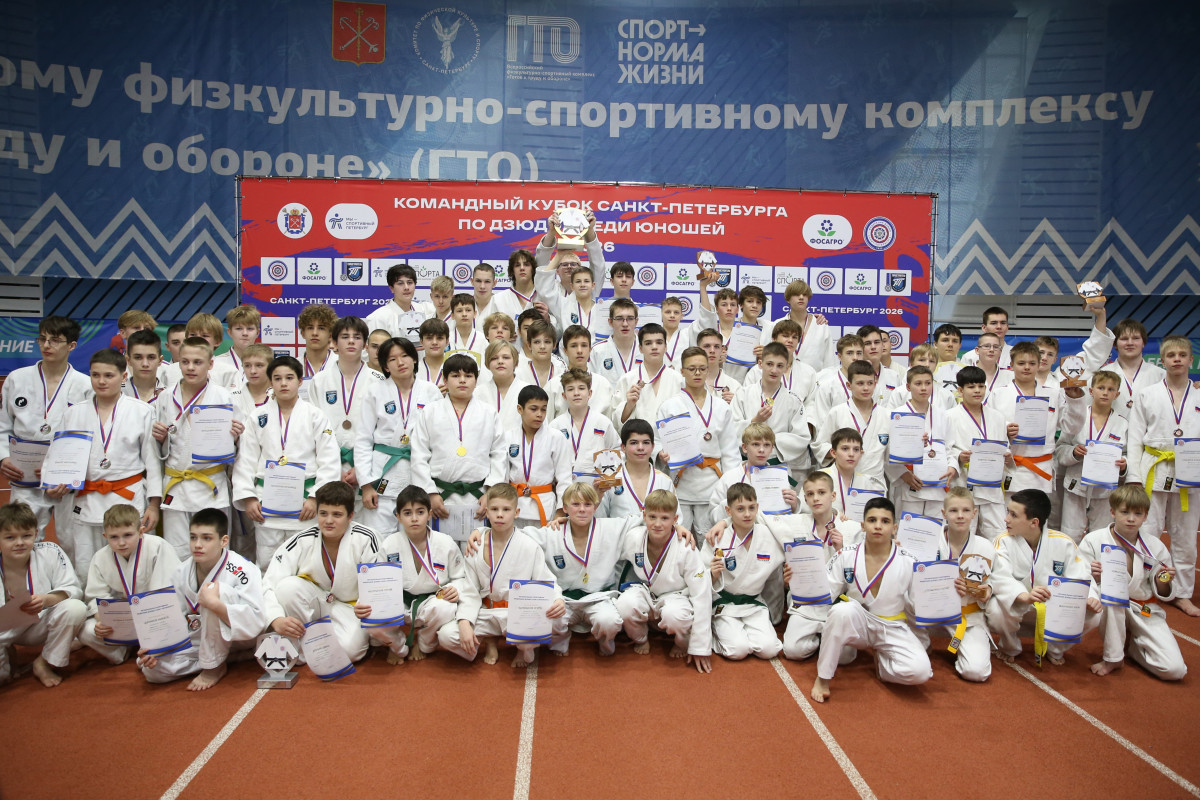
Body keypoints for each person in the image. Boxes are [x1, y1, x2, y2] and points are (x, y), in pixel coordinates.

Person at [48, 349, 162, 584]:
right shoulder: (73, 413)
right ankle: (92, 604)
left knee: (133, 564)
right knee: (85, 563)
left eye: (109, 375)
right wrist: (54, 482)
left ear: (123, 376)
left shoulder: (142, 411)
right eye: (95, 375)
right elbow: (59, 456)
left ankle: (134, 603)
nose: (101, 381)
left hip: (127, 498)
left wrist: (153, 505)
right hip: (86, 499)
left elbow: (152, 463)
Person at [491, 482, 635, 656]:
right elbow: (514, 535)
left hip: (598, 599)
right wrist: (483, 531)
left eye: (587, 504)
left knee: (609, 621)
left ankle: (605, 642)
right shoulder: (552, 532)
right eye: (575, 504)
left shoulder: (611, 527)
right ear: (565, 508)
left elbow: (644, 518)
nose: (582, 509)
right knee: (546, 620)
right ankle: (561, 639)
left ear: (595, 506)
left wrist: (671, 523)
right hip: (564, 601)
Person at [810, 497, 932, 703]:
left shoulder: (909, 561)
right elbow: (825, 591)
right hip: (858, 622)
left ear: (894, 528)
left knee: (920, 672)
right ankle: (823, 678)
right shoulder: (846, 555)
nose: (878, 526)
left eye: (885, 521)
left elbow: (921, 604)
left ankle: (882, 666)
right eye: (872, 520)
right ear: (863, 525)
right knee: (841, 611)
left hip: (892, 625)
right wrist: (798, 581)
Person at [231, 355, 341, 570]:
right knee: (266, 562)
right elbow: (246, 460)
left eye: (289, 378)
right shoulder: (258, 416)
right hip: (267, 503)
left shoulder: (315, 416)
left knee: (305, 563)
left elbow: (329, 460)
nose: (283, 383)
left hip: (304, 504)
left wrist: (316, 497)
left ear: (300, 381)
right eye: (277, 378)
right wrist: (249, 498)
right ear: (270, 382)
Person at [138, 508, 267, 690]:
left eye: (206, 538)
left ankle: (213, 668)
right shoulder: (181, 571)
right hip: (202, 636)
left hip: (239, 634)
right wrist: (157, 648)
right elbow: (173, 618)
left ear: (223, 541)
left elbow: (256, 621)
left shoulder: (243, 570)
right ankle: (226, 658)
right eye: (193, 537)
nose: (197, 545)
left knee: (213, 592)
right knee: (152, 670)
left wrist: (215, 604)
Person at [262, 482, 381, 667]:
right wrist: (275, 619)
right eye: (323, 513)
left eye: (337, 514)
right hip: (316, 603)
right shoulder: (301, 540)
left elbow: (378, 584)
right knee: (287, 588)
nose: (329, 520)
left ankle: (315, 647)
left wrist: (365, 605)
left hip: (351, 608)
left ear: (350, 516)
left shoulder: (367, 538)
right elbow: (269, 582)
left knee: (350, 652)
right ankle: (306, 642)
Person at [1078, 485, 1187, 680]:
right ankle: (1113, 658)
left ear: (1145, 516)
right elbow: (1080, 577)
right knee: (1112, 593)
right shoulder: (1093, 540)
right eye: (1125, 512)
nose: (1131, 519)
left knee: (1174, 670)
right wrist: (1094, 576)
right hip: (1107, 606)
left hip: (1143, 608)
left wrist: (1162, 580)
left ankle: (1134, 649)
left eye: (1138, 513)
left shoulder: (1155, 546)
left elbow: (1164, 592)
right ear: (1112, 512)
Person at [1126, 335, 1200, 616]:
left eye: (1182, 355)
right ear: (1163, 361)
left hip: (1190, 471)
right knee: (1147, 532)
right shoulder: (1147, 394)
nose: (1177, 359)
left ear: (1191, 360)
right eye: (1171, 355)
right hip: (1153, 468)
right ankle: (1144, 588)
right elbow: (1134, 438)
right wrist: (1133, 476)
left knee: (1185, 537)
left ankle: (1181, 593)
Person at [0, 315, 92, 535]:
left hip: (65, 477)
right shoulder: (16, 379)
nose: (46, 345)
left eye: (55, 340)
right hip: (25, 474)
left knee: (72, 541)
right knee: (22, 536)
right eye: (42, 339)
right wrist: (4, 457)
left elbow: (91, 434)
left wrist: (70, 474)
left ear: (71, 345)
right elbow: (4, 424)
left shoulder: (85, 385)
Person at [153, 336, 244, 559]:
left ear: (210, 364)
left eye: (197, 362)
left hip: (210, 487)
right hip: (175, 487)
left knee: (214, 554)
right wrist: (161, 439)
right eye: (185, 362)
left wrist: (235, 438)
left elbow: (239, 450)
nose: (190, 367)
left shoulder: (224, 397)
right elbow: (158, 451)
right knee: (176, 556)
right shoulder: (165, 397)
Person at [368, 486, 480, 664]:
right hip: (400, 601)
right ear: (398, 517)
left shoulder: (445, 542)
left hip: (432, 600)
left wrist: (454, 588)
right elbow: (378, 582)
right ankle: (397, 645)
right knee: (370, 614)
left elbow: (460, 576)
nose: (414, 518)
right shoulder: (389, 544)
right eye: (407, 513)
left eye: (420, 512)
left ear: (429, 514)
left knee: (446, 608)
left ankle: (425, 643)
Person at [460, 483, 566, 667]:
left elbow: (546, 579)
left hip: (516, 612)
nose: (500, 514)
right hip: (485, 611)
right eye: (494, 509)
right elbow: (469, 589)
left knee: (548, 624)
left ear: (516, 513)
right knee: (448, 636)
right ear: (487, 512)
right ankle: (490, 641)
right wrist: (464, 622)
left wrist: (558, 599)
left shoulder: (529, 545)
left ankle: (522, 648)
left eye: (506, 509)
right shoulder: (476, 545)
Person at [987, 489, 1094, 664]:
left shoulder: (1064, 542)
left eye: (1013, 515)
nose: (1006, 519)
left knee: (1094, 613)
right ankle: (1009, 645)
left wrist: (1090, 598)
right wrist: (1024, 596)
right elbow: (1000, 577)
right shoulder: (1003, 541)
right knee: (995, 608)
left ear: (1034, 522)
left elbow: (1081, 575)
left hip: (1053, 607)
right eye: (1008, 512)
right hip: (1019, 605)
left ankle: (1055, 647)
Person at [615, 489, 713, 673]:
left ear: (675, 519)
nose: (658, 524)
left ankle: (682, 642)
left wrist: (700, 647)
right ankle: (640, 638)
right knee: (625, 604)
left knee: (674, 615)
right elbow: (607, 536)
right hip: (646, 592)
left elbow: (702, 594)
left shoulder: (686, 548)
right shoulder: (633, 537)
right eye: (652, 517)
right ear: (644, 515)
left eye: (665, 518)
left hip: (675, 597)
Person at [355, 337, 442, 537]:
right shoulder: (374, 392)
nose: (400, 362)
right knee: (379, 539)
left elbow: (439, 440)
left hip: (418, 472)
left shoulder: (431, 391)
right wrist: (366, 485)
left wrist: (433, 487)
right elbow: (363, 440)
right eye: (392, 359)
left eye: (404, 356)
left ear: (414, 359)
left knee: (416, 538)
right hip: (382, 476)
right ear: (385, 366)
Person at [410, 354, 507, 535]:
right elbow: (419, 454)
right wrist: (429, 493)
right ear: (445, 380)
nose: (462, 380)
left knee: (477, 547)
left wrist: (491, 492)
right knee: (441, 548)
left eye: (468, 376)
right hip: (440, 496)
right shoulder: (430, 412)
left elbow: (499, 453)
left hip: (479, 497)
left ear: (476, 380)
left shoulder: (488, 412)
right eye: (455, 376)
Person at [78, 504, 179, 667]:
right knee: (86, 630)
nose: (121, 543)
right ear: (105, 536)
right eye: (114, 537)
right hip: (124, 621)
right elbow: (96, 596)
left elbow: (166, 592)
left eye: (128, 535)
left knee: (152, 666)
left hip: (157, 617)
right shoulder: (100, 557)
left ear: (141, 531)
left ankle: (151, 650)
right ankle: (120, 652)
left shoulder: (158, 547)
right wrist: (102, 620)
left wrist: (146, 618)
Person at [653, 347, 740, 536]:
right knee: (678, 537)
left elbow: (730, 451)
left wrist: (731, 486)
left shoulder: (721, 407)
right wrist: (660, 453)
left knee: (709, 537)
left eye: (702, 368)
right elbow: (657, 441)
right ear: (682, 371)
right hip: (680, 481)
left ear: (708, 370)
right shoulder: (669, 406)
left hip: (712, 483)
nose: (697, 373)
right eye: (692, 369)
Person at [909, 487, 993, 682]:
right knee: (905, 596)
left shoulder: (985, 547)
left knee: (976, 672)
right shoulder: (927, 540)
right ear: (943, 513)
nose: (960, 516)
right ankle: (922, 641)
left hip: (966, 615)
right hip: (927, 612)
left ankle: (964, 650)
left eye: (966, 510)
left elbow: (998, 580)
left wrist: (987, 590)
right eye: (954, 510)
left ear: (974, 513)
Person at [0, 502, 86, 686]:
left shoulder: (50, 552)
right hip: (4, 630)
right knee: (3, 679)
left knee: (75, 608)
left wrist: (46, 599)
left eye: (26, 535)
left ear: (36, 533)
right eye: (10, 537)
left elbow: (73, 589)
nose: (19, 542)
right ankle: (7, 660)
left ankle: (44, 663)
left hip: (41, 623)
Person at [781, 471, 861, 660]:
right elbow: (758, 520)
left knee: (845, 658)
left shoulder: (852, 528)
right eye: (810, 494)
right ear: (805, 499)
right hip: (806, 603)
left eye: (821, 492)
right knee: (792, 651)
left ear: (833, 496)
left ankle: (826, 638)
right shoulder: (796, 523)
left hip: (837, 603)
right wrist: (725, 524)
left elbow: (858, 577)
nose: (816, 498)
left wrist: (841, 550)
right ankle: (822, 640)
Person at [702, 483, 784, 661]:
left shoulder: (769, 534)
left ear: (757, 508)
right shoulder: (717, 537)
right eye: (740, 509)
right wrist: (712, 575)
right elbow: (699, 576)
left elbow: (794, 535)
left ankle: (744, 633)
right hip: (726, 604)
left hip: (754, 604)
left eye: (751, 508)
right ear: (728, 511)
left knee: (769, 650)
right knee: (738, 651)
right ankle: (715, 632)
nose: (747, 514)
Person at [306, 316, 383, 498]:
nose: (351, 341)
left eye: (357, 337)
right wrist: (333, 467)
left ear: (365, 345)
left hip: (367, 464)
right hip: (328, 464)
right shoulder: (319, 381)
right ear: (334, 342)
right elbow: (312, 428)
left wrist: (362, 468)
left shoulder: (379, 382)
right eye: (345, 337)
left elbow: (384, 429)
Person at [1057, 370, 1127, 542]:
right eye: (1101, 388)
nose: (1105, 393)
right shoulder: (1077, 416)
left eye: (1111, 389)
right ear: (1091, 391)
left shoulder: (1123, 423)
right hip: (1076, 485)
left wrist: (1124, 464)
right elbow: (1060, 448)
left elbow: (1127, 454)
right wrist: (1074, 452)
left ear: (1117, 394)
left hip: (1105, 490)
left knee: (1101, 536)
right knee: (1070, 534)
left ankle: (1097, 560)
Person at [731, 341, 812, 478]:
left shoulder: (793, 401)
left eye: (780, 366)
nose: (774, 370)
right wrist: (755, 421)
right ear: (760, 364)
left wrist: (770, 441)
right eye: (769, 364)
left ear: (786, 367)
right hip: (747, 465)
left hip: (778, 467)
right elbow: (731, 430)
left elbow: (802, 437)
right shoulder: (742, 394)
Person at [946, 366, 1009, 539]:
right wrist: (959, 457)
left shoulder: (997, 417)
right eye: (971, 386)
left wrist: (1006, 454)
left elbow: (1004, 444)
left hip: (991, 485)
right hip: (964, 484)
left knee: (998, 535)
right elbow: (945, 449)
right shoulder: (949, 416)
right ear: (960, 390)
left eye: (981, 386)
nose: (977, 391)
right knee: (963, 534)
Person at [886, 365, 957, 519]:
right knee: (907, 528)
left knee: (935, 529)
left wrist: (952, 466)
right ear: (908, 387)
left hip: (937, 485)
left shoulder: (943, 415)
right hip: (909, 484)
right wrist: (903, 474)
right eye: (918, 384)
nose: (924, 388)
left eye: (928, 383)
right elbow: (887, 451)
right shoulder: (896, 415)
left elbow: (950, 447)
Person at [503, 386, 573, 528]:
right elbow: (502, 476)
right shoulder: (508, 437)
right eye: (533, 409)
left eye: (543, 409)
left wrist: (560, 511)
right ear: (520, 409)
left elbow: (564, 477)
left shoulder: (556, 437)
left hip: (544, 504)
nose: (539, 414)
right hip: (514, 504)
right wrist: (501, 506)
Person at [814, 360, 886, 483]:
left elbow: (894, 452)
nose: (866, 388)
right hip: (844, 479)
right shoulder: (837, 412)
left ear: (875, 384)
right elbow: (820, 445)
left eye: (870, 383)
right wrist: (841, 451)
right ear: (849, 385)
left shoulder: (886, 415)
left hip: (874, 482)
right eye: (860, 383)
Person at [708, 424, 801, 513]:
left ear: (772, 448)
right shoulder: (729, 477)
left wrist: (794, 506)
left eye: (766, 445)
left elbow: (785, 512)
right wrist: (731, 502)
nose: (761, 450)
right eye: (756, 444)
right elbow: (713, 513)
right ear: (745, 448)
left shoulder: (780, 477)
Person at [597, 419, 674, 519]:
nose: (640, 447)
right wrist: (597, 495)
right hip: (620, 530)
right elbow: (601, 520)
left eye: (646, 442)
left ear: (653, 446)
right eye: (634, 443)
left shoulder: (665, 481)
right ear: (623, 447)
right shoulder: (609, 480)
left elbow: (675, 520)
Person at [550, 369, 620, 479]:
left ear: (590, 393)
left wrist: (606, 477)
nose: (576, 393)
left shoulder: (603, 422)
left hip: (596, 484)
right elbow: (548, 459)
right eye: (570, 389)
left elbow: (615, 450)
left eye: (581, 388)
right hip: (565, 484)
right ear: (564, 395)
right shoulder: (555, 425)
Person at [613, 322, 681, 425]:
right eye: (648, 343)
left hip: (670, 434)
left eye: (659, 342)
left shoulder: (678, 379)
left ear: (666, 347)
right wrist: (629, 406)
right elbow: (615, 423)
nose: (654, 347)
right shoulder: (627, 379)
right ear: (640, 348)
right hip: (639, 435)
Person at [761, 279, 833, 372]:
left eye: (805, 295)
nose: (801, 297)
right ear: (788, 299)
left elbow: (829, 361)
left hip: (816, 378)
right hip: (782, 377)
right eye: (796, 294)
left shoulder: (820, 325)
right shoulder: (776, 325)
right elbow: (767, 355)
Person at [817, 428, 887, 519]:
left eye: (856, 449)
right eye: (845, 449)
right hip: (827, 527)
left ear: (861, 453)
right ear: (833, 453)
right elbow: (806, 510)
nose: (851, 454)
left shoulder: (867, 482)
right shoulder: (819, 478)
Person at [552, 324, 615, 417]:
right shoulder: (554, 385)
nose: (579, 351)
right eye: (574, 346)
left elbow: (610, 421)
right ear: (565, 350)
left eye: (584, 345)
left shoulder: (603, 385)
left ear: (590, 349)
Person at [364, 264, 435, 342]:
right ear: (391, 288)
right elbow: (371, 349)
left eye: (410, 282)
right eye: (400, 283)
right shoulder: (378, 318)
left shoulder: (424, 310)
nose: (406, 287)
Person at [475, 339, 531, 435]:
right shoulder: (478, 393)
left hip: (520, 443)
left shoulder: (529, 392)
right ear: (487, 364)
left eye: (506, 357)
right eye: (494, 358)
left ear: (516, 362)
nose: (500, 361)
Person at [809, 334, 865, 424]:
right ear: (839, 356)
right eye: (849, 353)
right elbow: (822, 422)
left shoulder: (870, 386)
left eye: (859, 353)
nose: (855, 357)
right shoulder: (827, 386)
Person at [589, 299, 641, 384]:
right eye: (619, 318)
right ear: (610, 322)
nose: (625, 324)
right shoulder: (597, 351)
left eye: (630, 318)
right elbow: (590, 385)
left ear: (636, 321)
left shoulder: (647, 349)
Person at [216, 304, 262, 381]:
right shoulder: (216, 363)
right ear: (230, 332)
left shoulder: (268, 365)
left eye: (250, 329)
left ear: (257, 333)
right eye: (239, 329)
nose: (245, 333)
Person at [297, 303, 338, 387]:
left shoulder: (341, 365)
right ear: (303, 333)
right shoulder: (293, 366)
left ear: (330, 335)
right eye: (310, 328)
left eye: (321, 328)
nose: (315, 333)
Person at [696, 327, 741, 402]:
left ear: (722, 350)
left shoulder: (734, 386)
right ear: (697, 350)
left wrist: (735, 404)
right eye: (707, 346)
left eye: (716, 347)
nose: (712, 351)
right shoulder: (686, 383)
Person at [122, 328, 166, 402]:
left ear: (160, 360)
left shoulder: (170, 395)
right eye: (138, 357)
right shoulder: (118, 393)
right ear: (128, 360)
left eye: (151, 357)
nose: (145, 364)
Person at [447, 293, 483, 363]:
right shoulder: (447, 338)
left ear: (475, 314)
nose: (464, 314)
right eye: (459, 311)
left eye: (468, 310)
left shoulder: (481, 338)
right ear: (452, 315)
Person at [416, 318, 450, 389]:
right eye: (429, 338)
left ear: (447, 342)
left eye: (439, 338)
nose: (434, 342)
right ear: (421, 342)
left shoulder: (456, 367)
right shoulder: (414, 370)